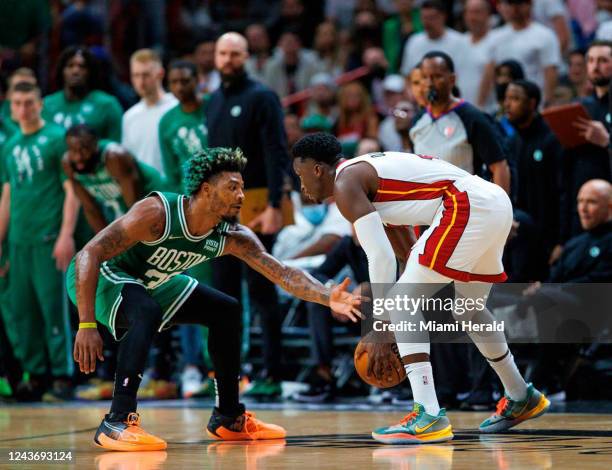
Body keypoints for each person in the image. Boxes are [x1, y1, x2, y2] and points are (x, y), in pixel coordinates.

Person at [66, 147, 363, 450]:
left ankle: (228, 417)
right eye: (232, 187)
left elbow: (283, 273)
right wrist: (86, 324)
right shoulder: (157, 213)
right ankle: (116, 421)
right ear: (206, 190)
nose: (242, 196)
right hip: (100, 274)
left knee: (225, 310)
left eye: (242, 188)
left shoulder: (232, 236)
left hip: (152, 281)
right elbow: (90, 252)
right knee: (146, 311)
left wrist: (328, 296)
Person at [291, 133, 549, 444]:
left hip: (466, 205)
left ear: (318, 170)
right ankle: (521, 395)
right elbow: (406, 253)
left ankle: (428, 414)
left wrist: (380, 326)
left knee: (400, 302)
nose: (301, 185)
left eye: (300, 174)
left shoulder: (345, 184)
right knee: (467, 310)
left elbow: (381, 258)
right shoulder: (368, 177)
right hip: (493, 203)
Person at [206, 32, 290, 398]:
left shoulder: (262, 96)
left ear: (247, 57)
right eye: (223, 53)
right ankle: (229, 376)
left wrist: (275, 205)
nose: (228, 60)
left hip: (255, 201)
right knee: (222, 294)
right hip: (219, 209)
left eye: (235, 54)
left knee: (261, 289)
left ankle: (271, 373)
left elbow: (276, 152)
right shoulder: (212, 101)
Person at [0, 82, 79, 402]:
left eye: (29, 102)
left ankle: (62, 374)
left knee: (52, 308)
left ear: (40, 104)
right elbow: (7, 195)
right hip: (19, 240)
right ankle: (36, 373)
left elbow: (71, 190)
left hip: (49, 237)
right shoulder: (10, 145)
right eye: (17, 103)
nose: (23, 109)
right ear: (10, 106)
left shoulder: (58, 138)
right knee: (22, 311)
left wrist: (66, 234)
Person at [410, 52, 511, 192]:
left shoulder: (472, 117)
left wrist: (502, 209)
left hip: (466, 204)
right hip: (428, 205)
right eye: (425, 77)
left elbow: (499, 166)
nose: (429, 84)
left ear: (452, 79)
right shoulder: (417, 121)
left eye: (437, 77)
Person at [504, 80, 563, 274]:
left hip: (548, 236)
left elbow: (562, 193)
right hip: (519, 233)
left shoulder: (552, 139)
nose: (508, 104)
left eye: (515, 99)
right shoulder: (511, 142)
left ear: (532, 103)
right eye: (506, 98)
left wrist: (561, 241)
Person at [63, 124, 164, 232]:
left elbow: (135, 207)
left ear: (95, 144)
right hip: (126, 209)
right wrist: (105, 244)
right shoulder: (68, 164)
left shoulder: (114, 157)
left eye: (84, 149)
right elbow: (91, 209)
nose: (78, 157)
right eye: (73, 150)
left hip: (156, 199)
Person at [562, 41, 612, 243]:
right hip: (581, 196)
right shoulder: (581, 105)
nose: (595, 66)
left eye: (603, 60)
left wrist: (607, 140)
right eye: (590, 60)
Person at [488, 0, 561, 106]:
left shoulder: (545, 35)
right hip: (505, 105)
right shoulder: (496, 37)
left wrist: (547, 102)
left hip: (533, 104)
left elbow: (550, 72)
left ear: (529, 5)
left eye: (518, 3)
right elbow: (491, 72)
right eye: (510, 3)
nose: (514, 8)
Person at [43, 47, 123, 141]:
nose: (75, 71)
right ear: (62, 71)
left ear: (90, 72)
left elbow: (115, 146)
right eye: (70, 66)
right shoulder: (46, 105)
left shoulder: (108, 105)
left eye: (82, 67)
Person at [122, 49, 177, 175]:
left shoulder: (176, 107)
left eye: (146, 75)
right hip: (145, 190)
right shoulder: (129, 117)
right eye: (136, 75)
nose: (141, 82)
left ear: (160, 74)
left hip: (175, 190)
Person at [159, 60, 209, 193]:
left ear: (197, 80)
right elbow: (171, 170)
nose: (179, 87)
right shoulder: (167, 121)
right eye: (174, 82)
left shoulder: (214, 105)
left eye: (185, 81)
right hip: (190, 195)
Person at [399, 0, 465, 76]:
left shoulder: (460, 41)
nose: (427, 22)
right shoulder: (413, 41)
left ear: (443, 16)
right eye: (424, 18)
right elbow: (406, 74)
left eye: (431, 18)